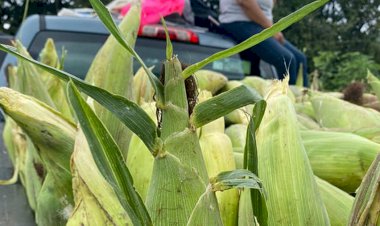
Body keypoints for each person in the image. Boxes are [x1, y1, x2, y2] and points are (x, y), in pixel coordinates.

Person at [219, 0, 309, 86]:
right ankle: (286, 99)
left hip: (260, 26)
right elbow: (246, 2)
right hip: (239, 22)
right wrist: (272, 30)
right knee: (286, 60)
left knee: (300, 59)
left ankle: (303, 99)